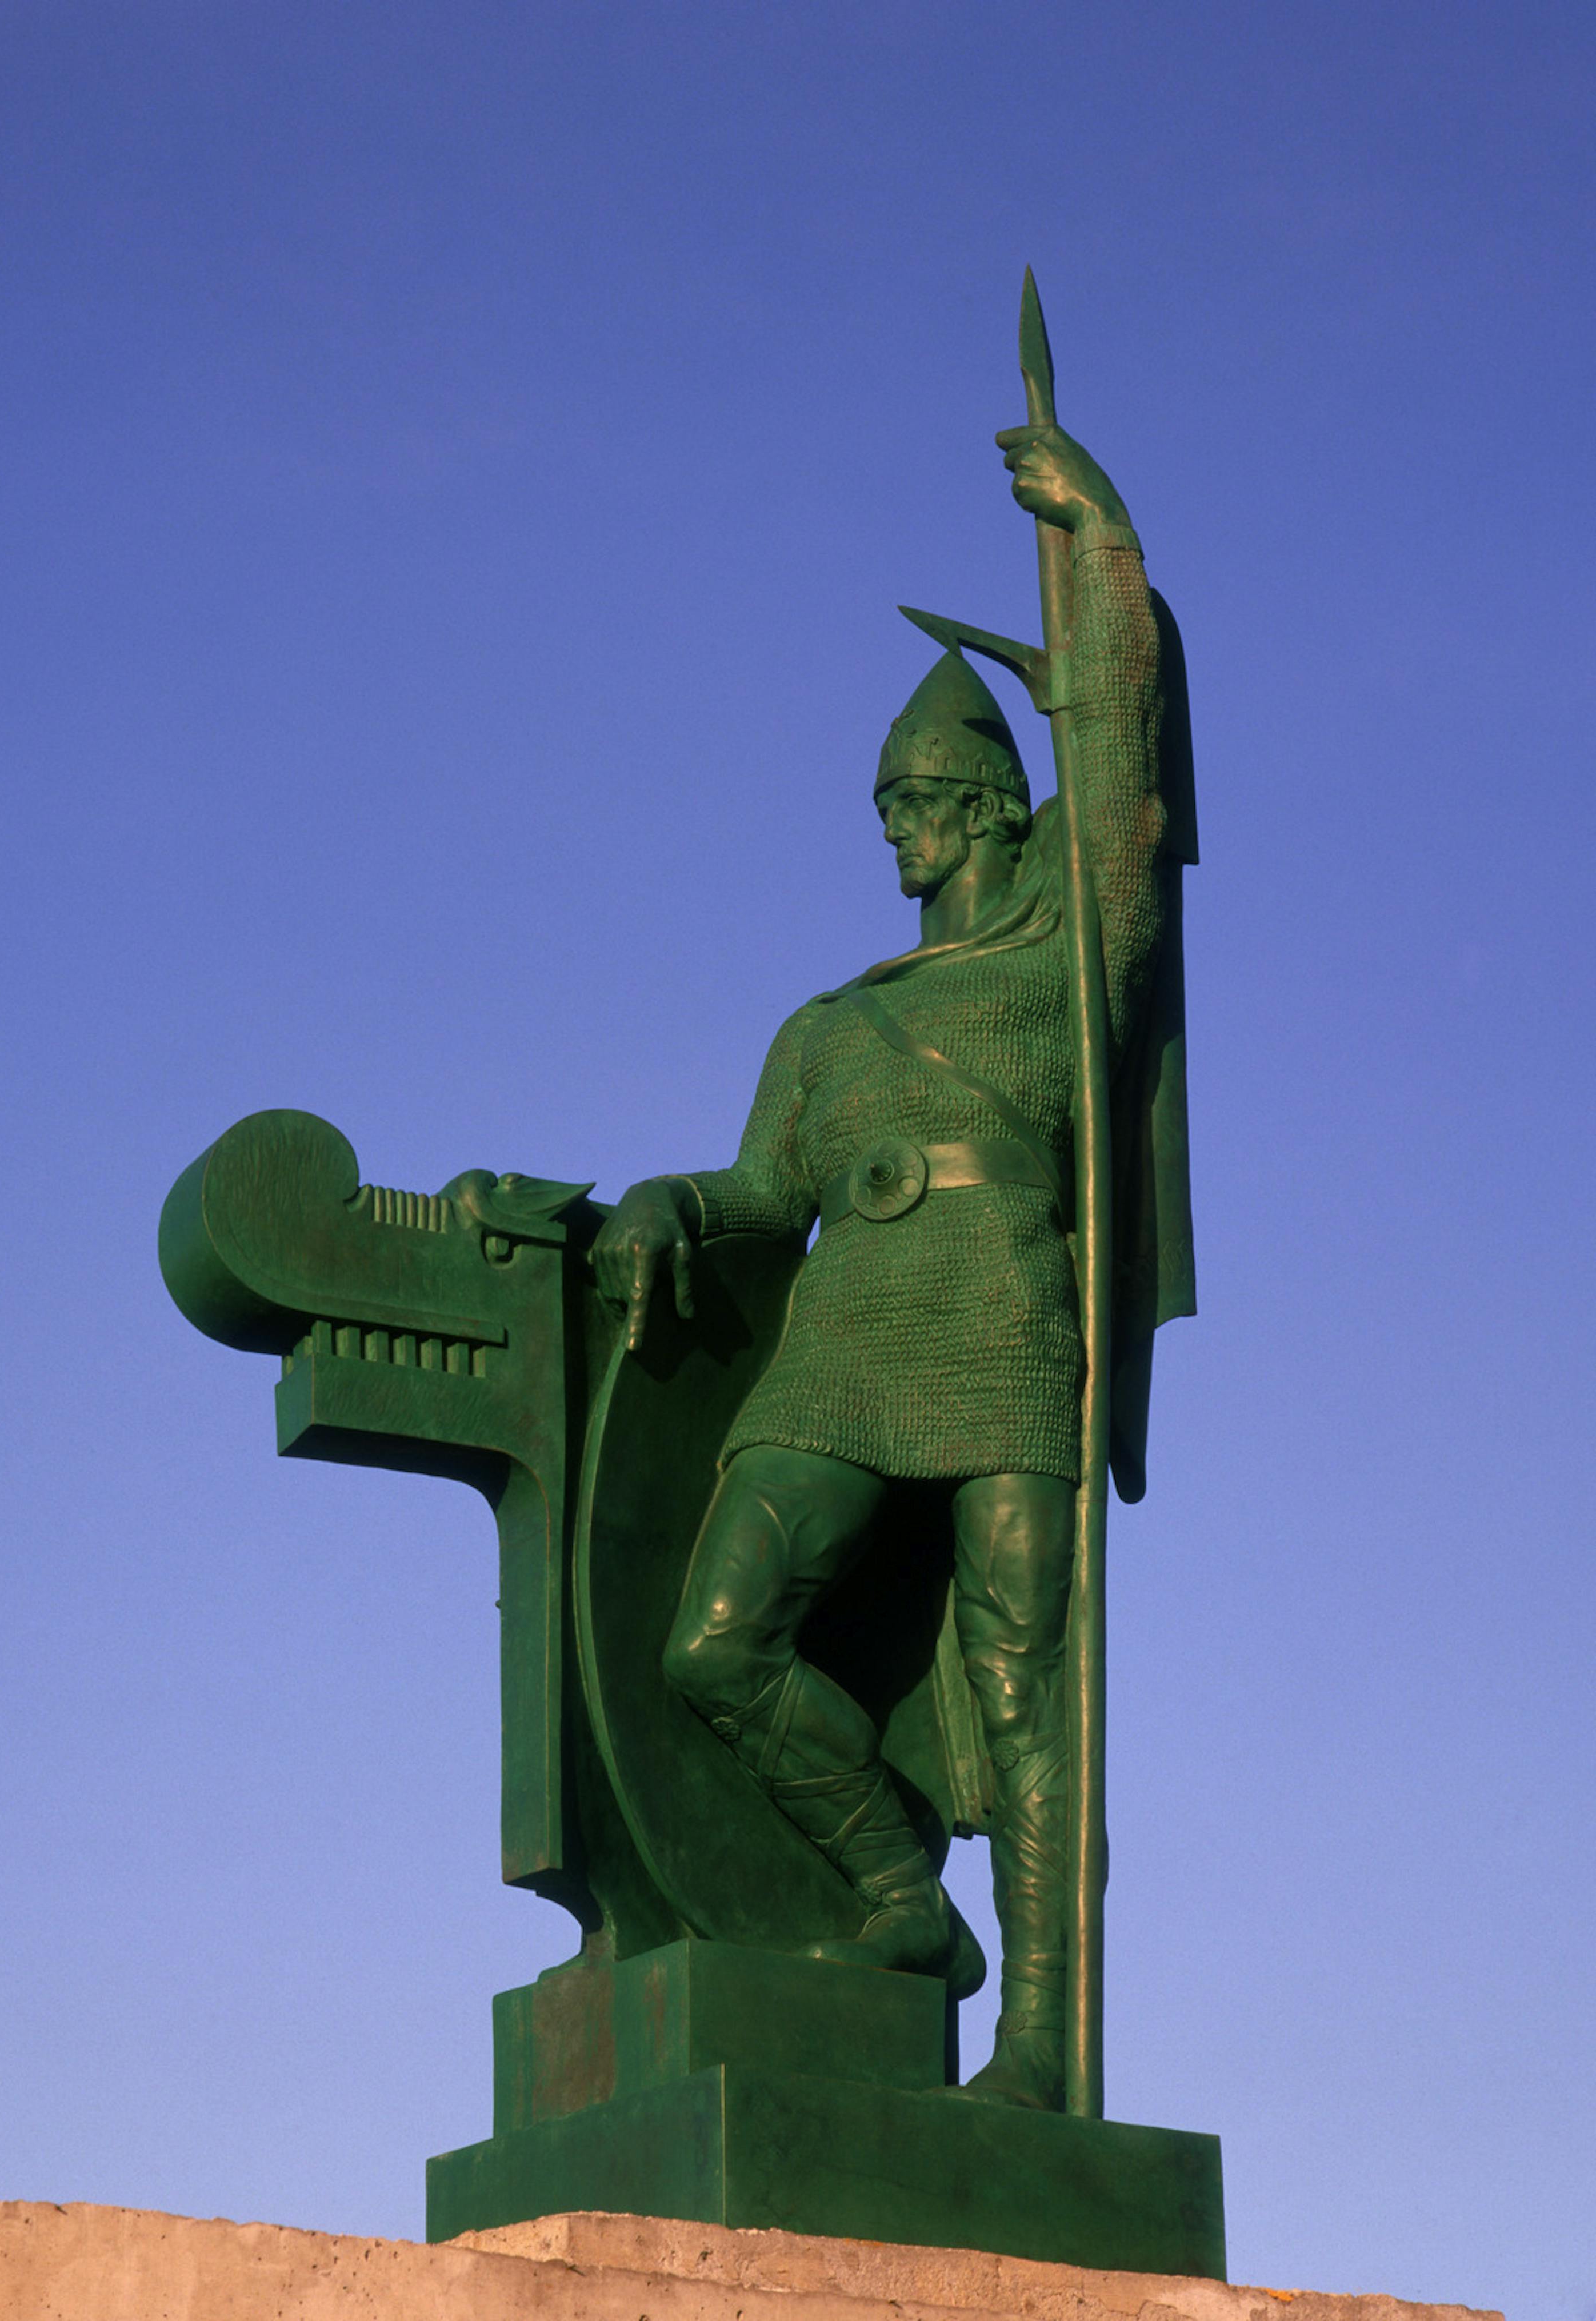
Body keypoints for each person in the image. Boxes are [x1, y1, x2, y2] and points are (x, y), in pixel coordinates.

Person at [590, 421, 1170, 2112]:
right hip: (849, 1333)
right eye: (887, 810)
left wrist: (1102, 544)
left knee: (1023, 1680)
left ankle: (1043, 2043)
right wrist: (665, 1203)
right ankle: (905, 1900)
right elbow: (766, 1189)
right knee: (714, 1644)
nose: (897, 835)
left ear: (992, 805)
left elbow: (1126, 775)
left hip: (1000, 1317)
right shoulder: (829, 1025)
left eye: (920, 804)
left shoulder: (1070, 948)